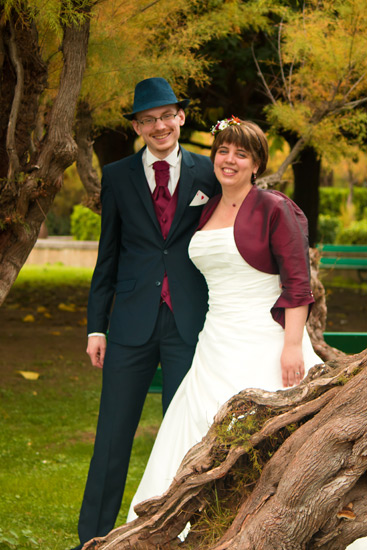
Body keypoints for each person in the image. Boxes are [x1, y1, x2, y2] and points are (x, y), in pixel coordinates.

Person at [127, 117, 322, 522]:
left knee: (257, 437)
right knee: (195, 428)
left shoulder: (273, 207)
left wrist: (291, 345)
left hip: (266, 340)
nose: (229, 160)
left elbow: (298, 283)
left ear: (256, 164)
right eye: (222, 151)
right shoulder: (207, 206)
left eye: (241, 154)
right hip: (215, 340)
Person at [70, 77, 220, 550]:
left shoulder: (209, 172)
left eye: (166, 115)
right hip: (130, 323)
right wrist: (97, 326)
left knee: (189, 435)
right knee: (112, 434)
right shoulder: (116, 177)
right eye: (147, 119)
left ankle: (185, 533)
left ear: (180, 117)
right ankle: (91, 537)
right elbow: (107, 256)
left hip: (189, 321)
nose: (159, 126)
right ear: (137, 127)